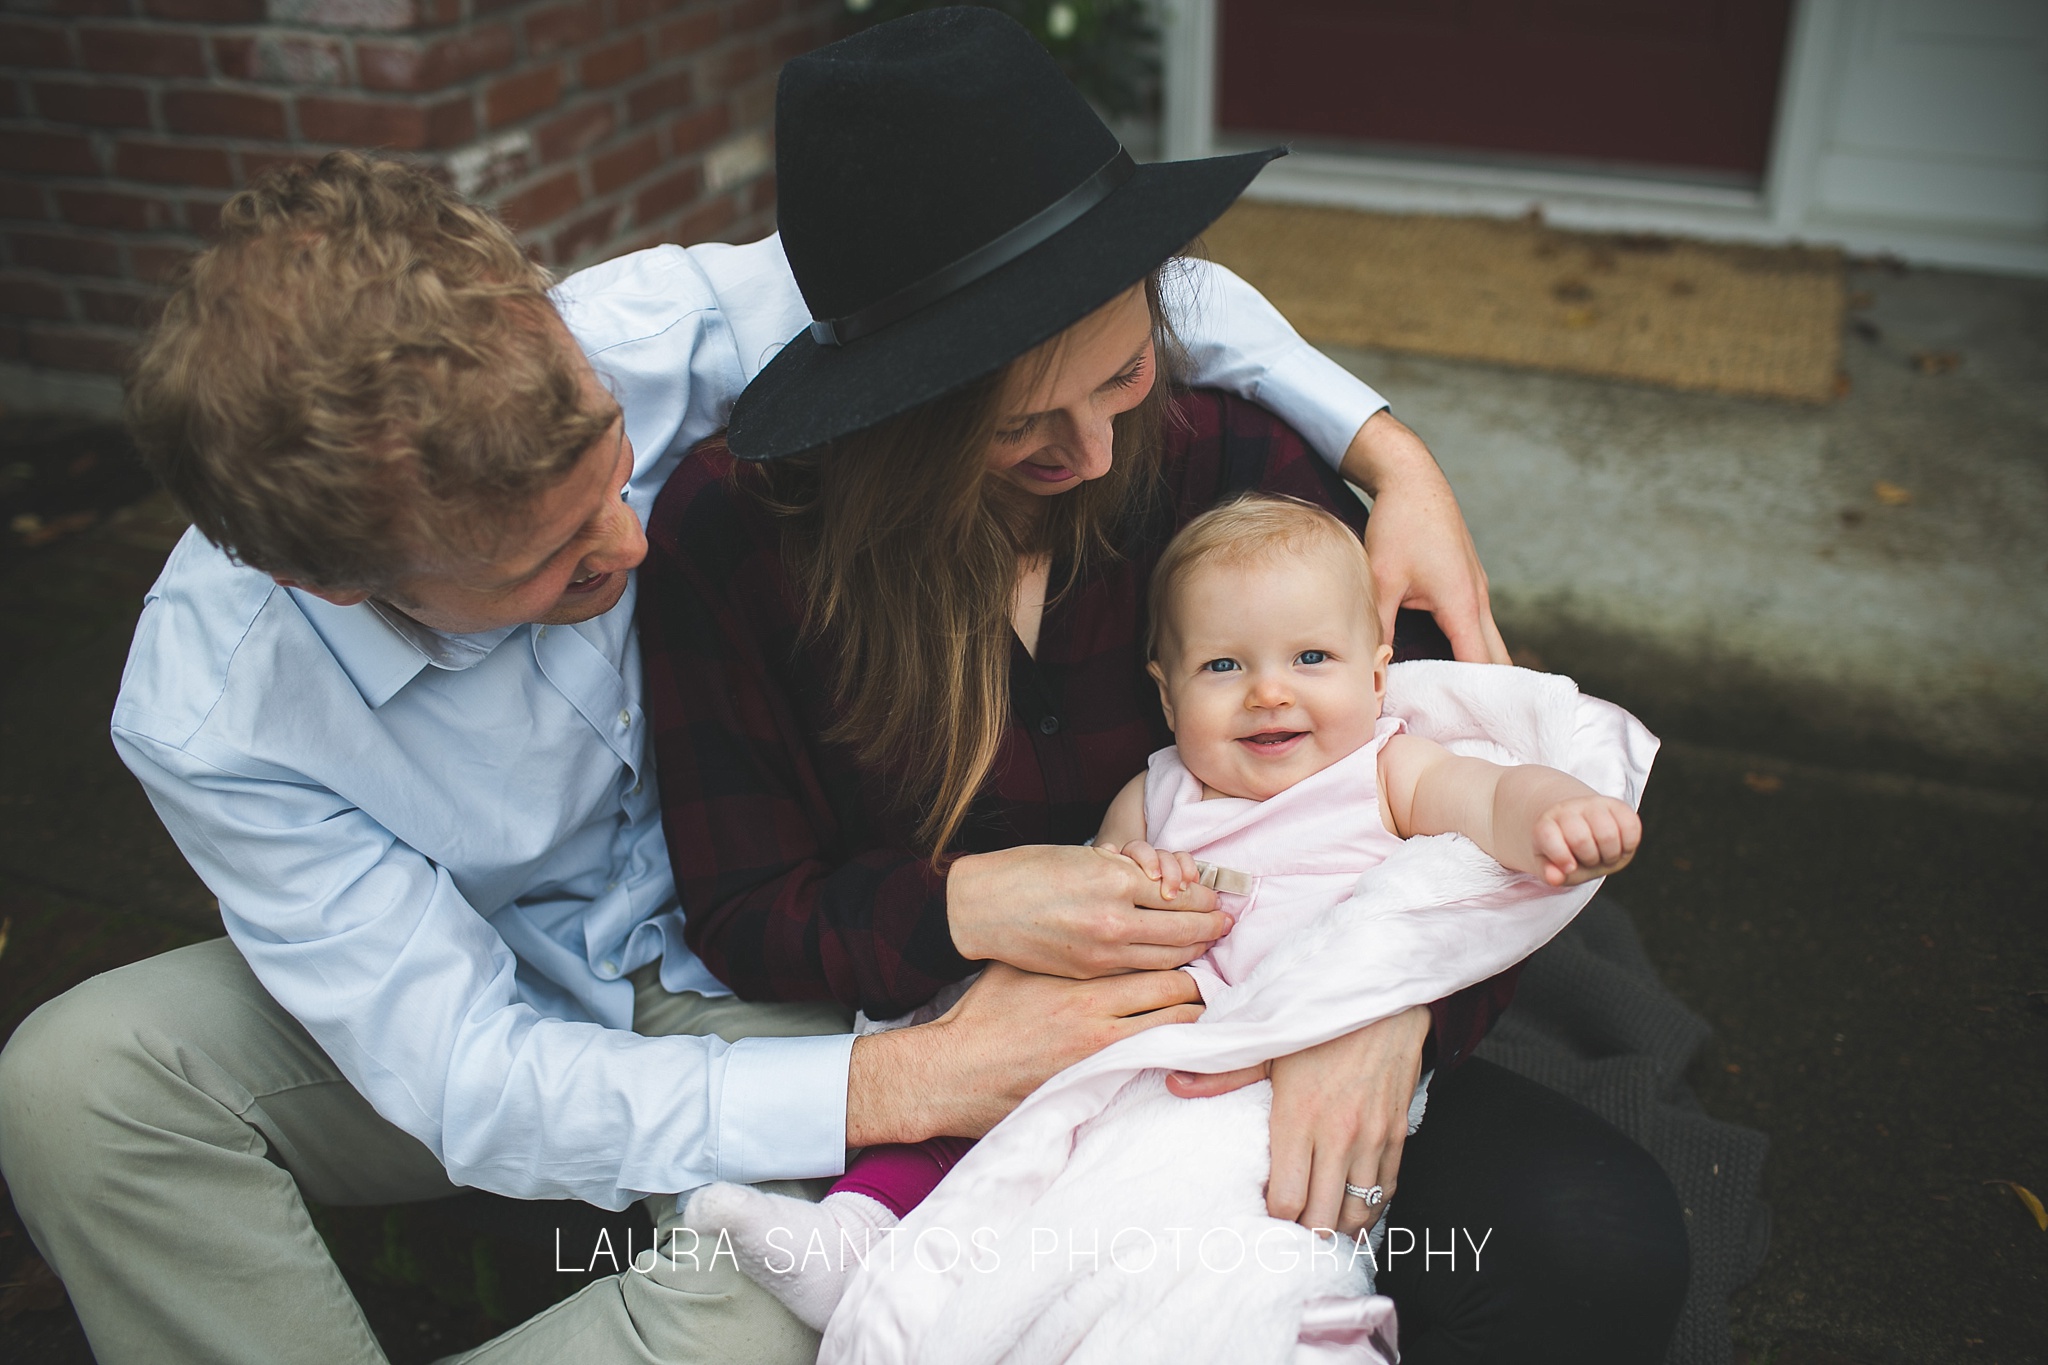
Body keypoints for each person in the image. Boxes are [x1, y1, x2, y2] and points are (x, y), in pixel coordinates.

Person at [0, 37, 1506, 1365]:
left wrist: (1387, 449)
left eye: (611, 462)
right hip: (476, 992)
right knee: (76, 1084)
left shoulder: (640, 338)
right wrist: (903, 1076)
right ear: (337, 584)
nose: (632, 539)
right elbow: (471, 1077)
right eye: (554, 562)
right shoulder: (212, 713)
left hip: (748, 961)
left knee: (769, 1300)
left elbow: (1071, 274)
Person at [638, 11, 1690, 1360]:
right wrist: (962, 900)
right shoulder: (738, 544)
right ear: (892, 414)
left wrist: (1392, 1013)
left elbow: (1423, 757)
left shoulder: (1224, 455)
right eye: (1019, 427)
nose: (1093, 449)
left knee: (1597, 1249)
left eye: (1123, 373)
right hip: (1009, 1074)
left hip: (1297, 1004)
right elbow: (744, 904)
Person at [687, 493, 1658, 1341]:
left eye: (1309, 657)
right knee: (1003, 1102)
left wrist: (1551, 815)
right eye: (1223, 667)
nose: (1268, 691)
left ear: (1375, 671)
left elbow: (1486, 802)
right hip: (1141, 1041)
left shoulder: (1384, 771)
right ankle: (866, 1236)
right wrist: (1125, 873)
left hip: (1278, 1083)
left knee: (1239, 1226)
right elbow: (1088, 898)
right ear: (1165, 689)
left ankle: (1282, 1328)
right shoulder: (1155, 791)